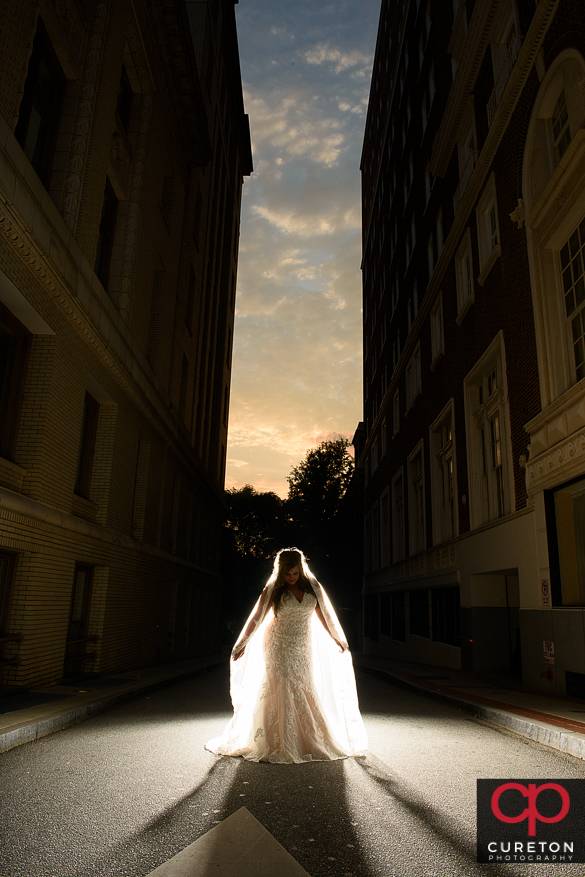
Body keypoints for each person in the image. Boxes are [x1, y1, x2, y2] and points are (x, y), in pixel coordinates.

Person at [205, 548, 367, 763]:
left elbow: (324, 616)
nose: (291, 578)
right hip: (277, 644)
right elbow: (257, 618)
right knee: (281, 685)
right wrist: (242, 642)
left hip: (302, 646)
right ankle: (277, 741)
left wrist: (337, 638)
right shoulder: (274, 590)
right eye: (287, 574)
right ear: (280, 573)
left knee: (303, 685)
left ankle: (308, 739)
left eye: (294, 573)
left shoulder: (313, 588)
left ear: (301, 570)